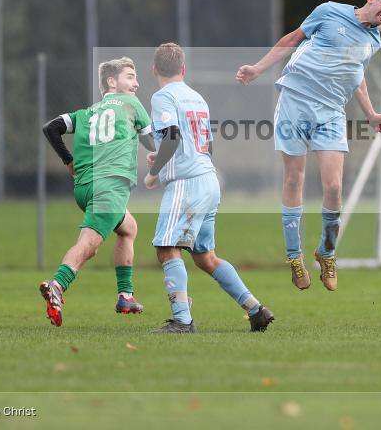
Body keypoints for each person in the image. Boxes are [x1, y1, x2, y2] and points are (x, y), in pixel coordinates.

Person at [235, 0, 381, 291]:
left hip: (331, 112)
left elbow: (356, 76)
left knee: (333, 187)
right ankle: (294, 257)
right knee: (294, 180)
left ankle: (327, 253)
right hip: (294, 100)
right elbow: (292, 39)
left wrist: (370, 114)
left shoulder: (374, 40)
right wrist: (258, 69)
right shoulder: (329, 12)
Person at [144, 42, 274, 333]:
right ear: (183, 69)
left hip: (187, 184)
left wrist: (154, 171)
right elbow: (206, 144)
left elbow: (173, 136)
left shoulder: (162, 97)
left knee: (166, 248)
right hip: (209, 180)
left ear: (154, 70)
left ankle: (183, 320)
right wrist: (167, 156)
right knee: (205, 256)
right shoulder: (197, 97)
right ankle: (255, 309)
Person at [39, 57, 154, 326]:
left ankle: (125, 295)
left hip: (84, 188)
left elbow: (51, 128)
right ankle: (57, 284)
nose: (136, 83)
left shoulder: (87, 113)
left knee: (129, 228)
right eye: (130, 76)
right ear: (111, 82)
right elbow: (151, 141)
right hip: (110, 187)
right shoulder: (131, 104)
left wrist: (68, 161)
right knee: (89, 245)